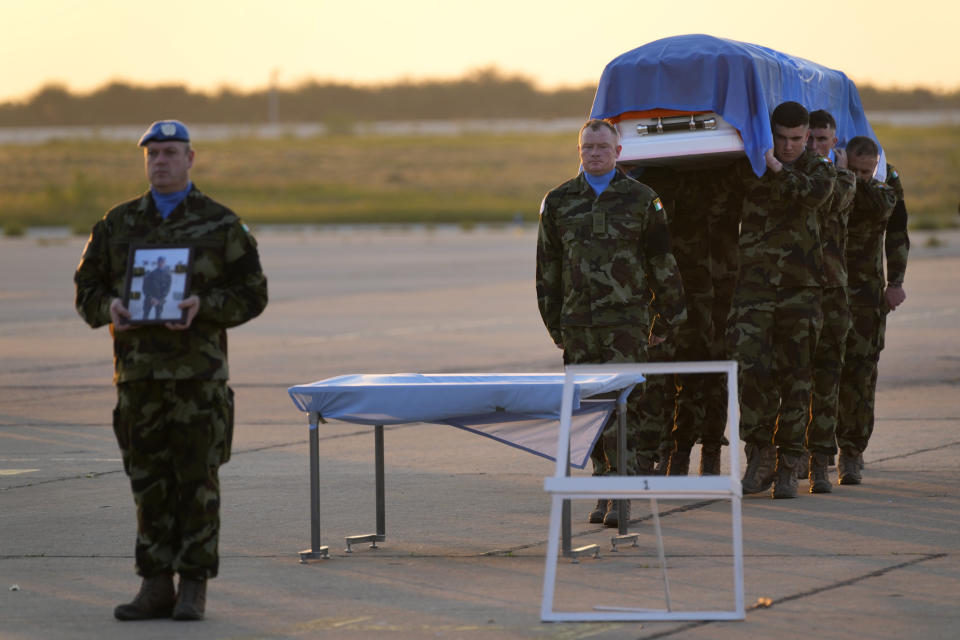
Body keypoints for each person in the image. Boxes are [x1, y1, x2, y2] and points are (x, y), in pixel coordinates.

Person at [74, 120, 268, 621]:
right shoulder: (116, 224)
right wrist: (110, 307)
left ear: (190, 159)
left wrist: (205, 304)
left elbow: (253, 293)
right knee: (148, 482)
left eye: (169, 152)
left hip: (197, 380)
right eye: (152, 153)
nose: (159, 161)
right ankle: (155, 584)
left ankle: (194, 586)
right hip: (138, 379)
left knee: (197, 482)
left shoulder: (220, 224)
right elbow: (86, 289)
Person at [536, 119, 686, 527]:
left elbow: (661, 261)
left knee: (624, 408)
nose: (595, 153)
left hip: (626, 324)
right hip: (579, 326)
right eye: (588, 148)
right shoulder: (560, 200)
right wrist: (556, 325)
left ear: (619, 152)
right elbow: (547, 269)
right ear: (579, 151)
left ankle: (622, 492)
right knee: (589, 410)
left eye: (603, 147)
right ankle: (603, 483)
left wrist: (669, 315)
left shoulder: (642, 200)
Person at [726, 101, 836, 499]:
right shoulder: (748, 165)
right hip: (754, 289)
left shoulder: (819, 169)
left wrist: (776, 167)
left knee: (796, 376)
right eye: (781, 138)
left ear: (808, 136)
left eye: (796, 139)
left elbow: (811, 197)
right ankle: (760, 454)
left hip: (800, 290)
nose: (788, 146)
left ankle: (791, 462)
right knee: (749, 371)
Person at [835, 136, 901, 484]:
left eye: (866, 171)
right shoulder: (830, 183)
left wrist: (847, 176)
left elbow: (883, 212)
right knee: (823, 375)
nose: (860, 177)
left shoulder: (883, 190)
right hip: (830, 296)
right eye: (855, 170)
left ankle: (852, 453)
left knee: (859, 381)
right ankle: (814, 452)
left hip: (864, 301)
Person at [803, 110, 856, 493]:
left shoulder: (843, 179)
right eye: (810, 138)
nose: (814, 146)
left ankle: (821, 461)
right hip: (796, 288)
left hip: (832, 291)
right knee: (790, 380)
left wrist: (835, 171)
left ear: (834, 143)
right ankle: (786, 457)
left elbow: (831, 203)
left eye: (822, 139)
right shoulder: (792, 175)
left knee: (827, 378)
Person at [142, 255, 172, 320]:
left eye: (162, 262)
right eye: (159, 262)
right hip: (149, 299)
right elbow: (145, 287)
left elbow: (167, 289)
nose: (161, 263)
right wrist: (151, 298)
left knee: (158, 317)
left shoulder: (168, 275)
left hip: (160, 300)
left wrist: (159, 299)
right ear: (157, 262)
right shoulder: (151, 273)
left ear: (165, 263)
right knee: (145, 316)